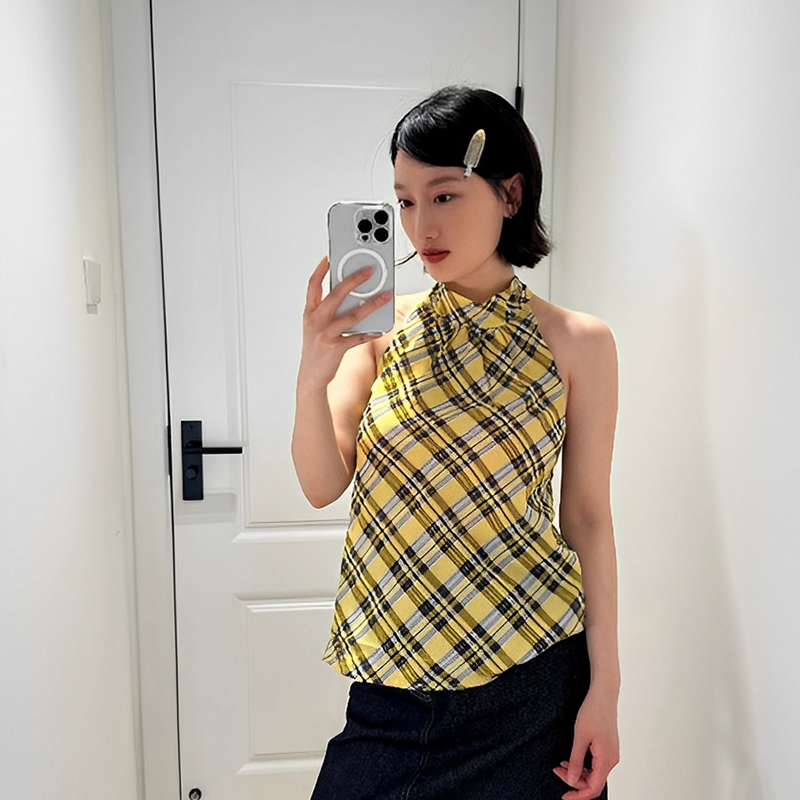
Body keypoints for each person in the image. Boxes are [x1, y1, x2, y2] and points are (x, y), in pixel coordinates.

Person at [292, 86, 620, 800]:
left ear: (510, 194)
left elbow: (587, 518)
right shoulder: (377, 338)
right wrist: (311, 375)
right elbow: (320, 484)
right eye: (405, 202)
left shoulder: (579, 343)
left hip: (532, 683)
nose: (421, 226)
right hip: (392, 686)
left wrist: (606, 691)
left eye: (444, 195)